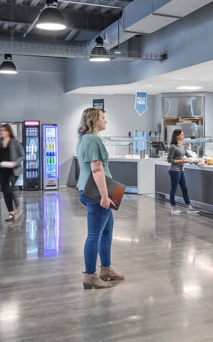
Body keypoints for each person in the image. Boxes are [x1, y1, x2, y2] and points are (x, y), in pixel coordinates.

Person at [77, 108, 124, 289]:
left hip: (87, 189)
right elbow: (96, 169)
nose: (106, 121)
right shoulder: (93, 140)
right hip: (97, 194)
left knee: (106, 230)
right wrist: (104, 196)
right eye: (103, 117)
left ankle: (106, 269)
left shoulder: (83, 139)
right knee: (94, 235)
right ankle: (90, 275)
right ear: (95, 120)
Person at [0, 124, 25, 222]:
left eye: (3, 130)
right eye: (0, 130)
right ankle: (11, 213)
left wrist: (15, 162)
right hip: (1, 171)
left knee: (8, 189)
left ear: (8, 131)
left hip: (13, 170)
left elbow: (22, 155)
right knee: (5, 192)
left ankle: (18, 207)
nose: (1, 132)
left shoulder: (15, 142)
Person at [166, 129, 199, 215]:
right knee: (174, 189)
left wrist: (196, 161)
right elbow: (169, 160)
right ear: (177, 136)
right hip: (174, 171)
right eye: (182, 134)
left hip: (181, 170)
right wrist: (181, 161)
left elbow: (189, 156)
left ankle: (189, 207)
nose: (183, 136)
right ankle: (173, 208)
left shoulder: (182, 146)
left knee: (185, 188)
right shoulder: (173, 147)